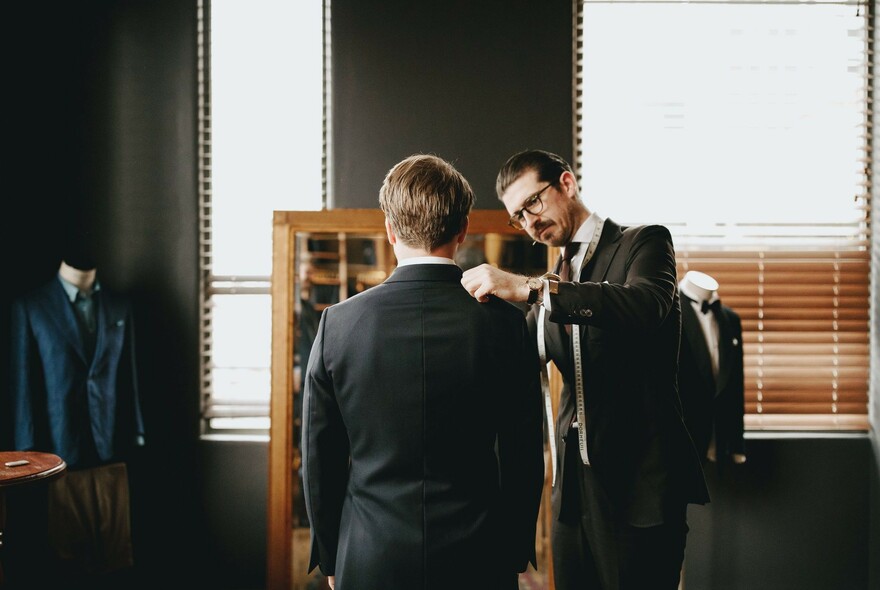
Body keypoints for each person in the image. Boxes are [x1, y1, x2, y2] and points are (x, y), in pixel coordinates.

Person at [461, 149, 709, 590]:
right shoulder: (553, 277)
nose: (530, 222)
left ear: (567, 183)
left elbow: (646, 305)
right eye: (518, 216)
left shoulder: (644, 242)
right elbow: (514, 363)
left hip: (641, 490)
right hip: (572, 498)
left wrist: (532, 287)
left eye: (533, 202)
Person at [301, 154, 545, 590]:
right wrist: (514, 551)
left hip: (369, 553)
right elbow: (522, 455)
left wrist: (330, 553)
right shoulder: (507, 326)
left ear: (390, 231)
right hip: (479, 556)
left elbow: (321, 457)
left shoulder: (337, 324)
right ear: (462, 230)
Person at [677, 270, 746, 468]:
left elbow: (735, 384)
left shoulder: (730, 319)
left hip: (719, 436)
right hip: (682, 434)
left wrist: (736, 444)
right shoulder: (667, 313)